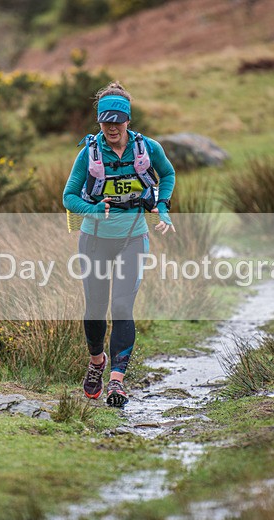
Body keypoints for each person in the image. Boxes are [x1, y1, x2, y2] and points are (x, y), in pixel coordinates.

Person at [63, 81, 176, 407]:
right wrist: (93, 209)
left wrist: (162, 205)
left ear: (128, 119)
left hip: (133, 239)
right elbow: (69, 196)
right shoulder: (89, 153)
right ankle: (96, 362)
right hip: (94, 240)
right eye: (106, 122)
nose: (112, 128)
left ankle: (117, 382)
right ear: (99, 121)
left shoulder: (147, 148)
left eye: (118, 121)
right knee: (95, 309)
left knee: (123, 307)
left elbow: (167, 175)